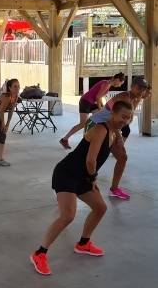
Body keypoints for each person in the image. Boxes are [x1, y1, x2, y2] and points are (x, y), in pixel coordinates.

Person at [30, 100, 133, 276]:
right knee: (68, 215)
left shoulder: (114, 134)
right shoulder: (101, 129)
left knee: (100, 208)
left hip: (83, 176)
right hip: (67, 173)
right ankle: (39, 253)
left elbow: (120, 156)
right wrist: (93, 179)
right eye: (123, 116)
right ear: (113, 114)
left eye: (129, 118)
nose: (125, 120)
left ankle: (83, 243)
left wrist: (120, 141)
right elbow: (91, 160)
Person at [87, 77, 149, 200]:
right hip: (96, 124)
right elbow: (113, 119)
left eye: (144, 89)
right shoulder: (124, 97)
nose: (141, 91)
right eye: (139, 88)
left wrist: (139, 100)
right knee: (91, 158)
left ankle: (114, 189)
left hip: (109, 127)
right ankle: (72, 184)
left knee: (122, 157)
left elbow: (127, 121)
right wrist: (119, 137)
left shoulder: (134, 99)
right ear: (133, 86)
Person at [60, 73, 125, 149]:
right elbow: (98, 97)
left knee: (102, 119)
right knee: (83, 123)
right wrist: (101, 109)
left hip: (92, 103)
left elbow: (99, 98)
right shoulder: (106, 84)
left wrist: (103, 107)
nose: (120, 85)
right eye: (120, 83)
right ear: (117, 80)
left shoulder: (107, 84)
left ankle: (98, 140)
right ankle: (65, 139)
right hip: (86, 102)